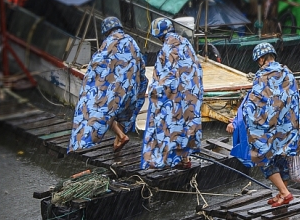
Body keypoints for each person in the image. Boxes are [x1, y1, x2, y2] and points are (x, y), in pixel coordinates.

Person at [227, 42, 300, 207]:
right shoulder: (288, 73)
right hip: (290, 128)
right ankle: (282, 193)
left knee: (262, 158)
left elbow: (252, 105)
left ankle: (285, 193)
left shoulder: (262, 76)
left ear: (261, 59)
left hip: (271, 128)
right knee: (281, 158)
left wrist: (237, 122)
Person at [68, 17, 148, 153]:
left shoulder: (109, 42)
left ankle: (120, 136)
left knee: (100, 106)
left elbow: (97, 64)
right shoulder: (131, 41)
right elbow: (141, 66)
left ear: (106, 30)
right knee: (120, 111)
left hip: (117, 92)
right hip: (131, 90)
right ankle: (118, 140)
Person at [140, 18, 203, 170]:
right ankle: (185, 159)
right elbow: (195, 67)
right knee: (186, 123)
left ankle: (162, 159)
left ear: (159, 35)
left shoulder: (167, 48)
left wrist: (154, 91)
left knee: (168, 123)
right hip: (191, 93)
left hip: (175, 95)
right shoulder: (186, 43)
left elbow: (164, 78)